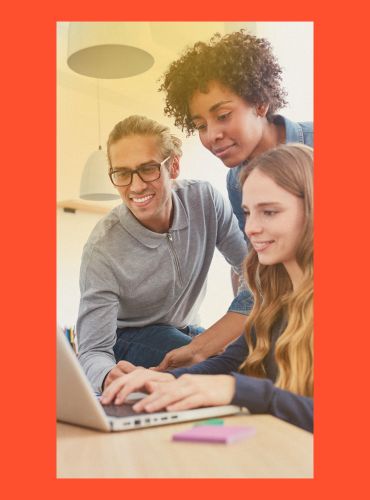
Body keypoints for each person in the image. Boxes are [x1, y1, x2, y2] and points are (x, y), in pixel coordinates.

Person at [100, 144, 314, 432]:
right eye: (248, 213)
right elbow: (228, 362)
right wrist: (168, 380)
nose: (250, 228)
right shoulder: (275, 303)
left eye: (270, 212)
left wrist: (237, 390)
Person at [153, 29, 313, 370]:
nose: (212, 136)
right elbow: (260, 279)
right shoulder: (236, 181)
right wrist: (200, 349)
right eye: (200, 124)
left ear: (260, 102)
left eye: (223, 115)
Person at [76, 115, 251, 394]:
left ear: (174, 166)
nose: (135, 186)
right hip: (129, 337)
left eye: (148, 169)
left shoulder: (204, 200)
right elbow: (93, 350)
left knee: (255, 359)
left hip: (187, 328)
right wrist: (107, 374)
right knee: (224, 370)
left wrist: (239, 326)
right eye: (122, 173)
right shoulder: (103, 247)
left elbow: (251, 269)